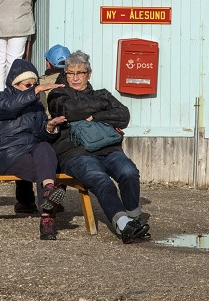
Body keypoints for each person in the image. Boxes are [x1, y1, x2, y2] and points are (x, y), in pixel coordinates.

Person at [47, 52, 150, 242]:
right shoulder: (58, 94)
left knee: (129, 172)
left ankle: (135, 220)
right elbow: (70, 110)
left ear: (89, 73)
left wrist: (94, 117)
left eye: (80, 73)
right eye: (70, 73)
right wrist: (103, 106)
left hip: (108, 149)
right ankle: (123, 225)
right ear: (65, 74)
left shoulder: (101, 93)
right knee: (102, 181)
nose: (75, 78)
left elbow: (123, 115)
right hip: (75, 152)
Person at [0, 59, 68, 240]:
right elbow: (10, 107)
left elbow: (41, 135)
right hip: (8, 154)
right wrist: (37, 90)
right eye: (28, 85)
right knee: (47, 170)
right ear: (15, 84)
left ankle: (48, 196)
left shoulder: (36, 105)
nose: (32, 87)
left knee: (46, 148)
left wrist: (50, 126)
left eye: (34, 84)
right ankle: (48, 217)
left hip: (32, 150)